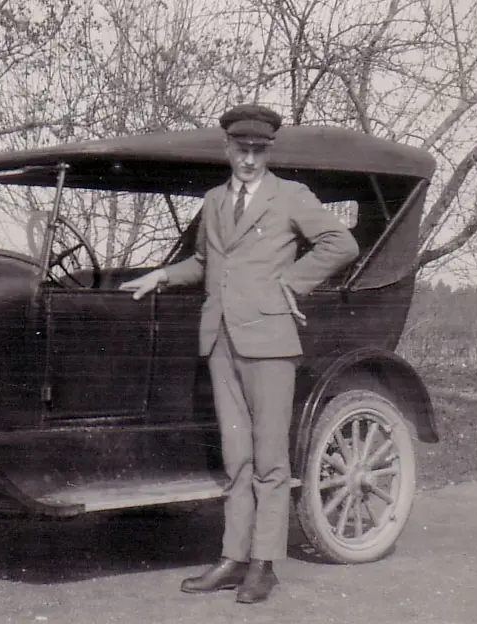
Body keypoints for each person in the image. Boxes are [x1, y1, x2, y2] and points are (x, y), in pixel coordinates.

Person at [119, 104, 359, 604]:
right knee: (237, 459)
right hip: (220, 342)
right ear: (226, 148)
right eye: (241, 149)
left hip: (270, 342)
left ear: (267, 152)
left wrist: (291, 283)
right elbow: (205, 262)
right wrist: (162, 275)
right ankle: (232, 559)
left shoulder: (290, 196)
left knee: (270, 460)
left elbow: (341, 243)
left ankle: (263, 565)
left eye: (258, 151)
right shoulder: (213, 201)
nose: (249, 159)